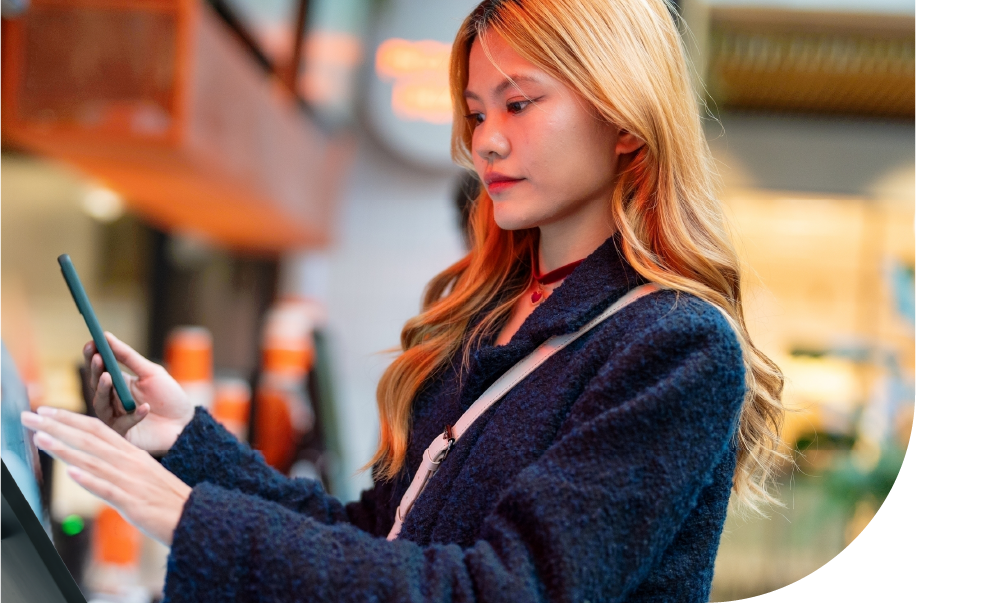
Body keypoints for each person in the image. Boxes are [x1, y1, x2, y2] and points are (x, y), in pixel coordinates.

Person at [22, 0, 786, 600]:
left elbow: (502, 590)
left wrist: (187, 516)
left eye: (519, 104)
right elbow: (378, 539)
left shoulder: (676, 346)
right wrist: (186, 439)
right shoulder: (495, 317)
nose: (484, 141)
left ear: (624, 119)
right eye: (479, 112)